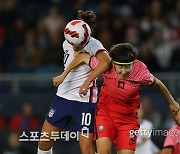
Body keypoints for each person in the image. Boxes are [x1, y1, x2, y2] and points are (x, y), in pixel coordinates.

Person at [55, 43, 179, 154]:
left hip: (128, 120)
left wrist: (172, 102)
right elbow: (82, 57)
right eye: (120, 67)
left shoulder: (141, 71)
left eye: (127, 67)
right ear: (113, 63)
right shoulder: (105, 64)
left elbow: (157, 83)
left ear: (133, 63)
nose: (124, 71)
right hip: (105, 115)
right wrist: (63, 76)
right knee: (103, 151)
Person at [37, 10, 110, 154]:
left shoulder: (94, 44)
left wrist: (87, 81)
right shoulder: (68, 41)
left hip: (85, 102)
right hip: (63, 97)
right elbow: (76, 59)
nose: (74, 47)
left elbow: (106, 62)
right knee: (44, 142)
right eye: (72, 44)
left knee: (86, 149)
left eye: (78, 45)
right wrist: (63, 76)